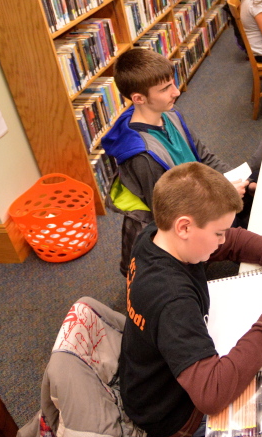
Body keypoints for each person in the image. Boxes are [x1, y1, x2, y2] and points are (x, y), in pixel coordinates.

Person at [119, 161, 262, 437]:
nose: (223, 241)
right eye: (217, 233)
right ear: (184, 227)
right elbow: (212, 394)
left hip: (152, 379)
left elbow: (235, 240)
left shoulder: (155, 235)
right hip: (175, 416)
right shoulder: (172, 301)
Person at [102, 49, 252, 275]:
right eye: (165, 89)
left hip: (198, 194)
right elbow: (168, 215)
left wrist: (240, 181)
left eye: (173, 83)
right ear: (139, 99)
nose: (177, 91)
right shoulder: (142, 156)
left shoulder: (170, 115)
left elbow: (204, 157)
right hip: (181, 221)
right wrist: (224, 194)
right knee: (246, 233)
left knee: (253, 197)